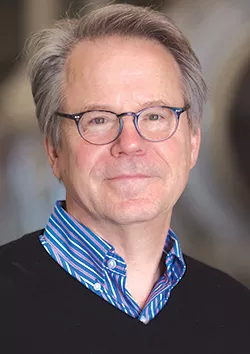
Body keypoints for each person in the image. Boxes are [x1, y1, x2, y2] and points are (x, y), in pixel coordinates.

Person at [0, 4, 249, 354]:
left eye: (155, 116)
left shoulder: (237, 312)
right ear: (54, 150)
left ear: (193, 143)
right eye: (98, 119)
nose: (130, 143)